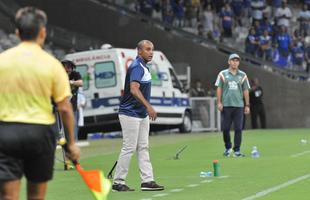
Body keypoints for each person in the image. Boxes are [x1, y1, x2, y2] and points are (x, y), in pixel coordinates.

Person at [0, 7, 80, 200]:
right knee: (36, 196)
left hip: (6, 134)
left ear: (17, 33)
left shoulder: (2, 61)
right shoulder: (52, 65)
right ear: (43, 32)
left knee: (8, 196)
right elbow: (65, 109)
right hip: (40, 134)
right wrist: (71, 144)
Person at [112, 40, 164, 192]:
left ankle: (147, 181)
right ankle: (117, 182)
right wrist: (149, 107)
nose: (151, 52)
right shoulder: (136, 66)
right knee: (129, 147)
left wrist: (145, 109)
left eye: (152, 49)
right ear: (139, 51)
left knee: (143, 147)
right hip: (130, 113)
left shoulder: (144, 66)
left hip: (140, 114)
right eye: (147, 49)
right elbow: (134, 89)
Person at [215, 53, 250, 157]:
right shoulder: (222, 74)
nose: (235, 62)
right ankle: (228, 147)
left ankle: (237, 150)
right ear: (229, 62)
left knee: (238, 128)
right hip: (226, 105)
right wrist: (219, 102)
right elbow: (219, 88)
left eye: (237, 60)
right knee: (225, 128)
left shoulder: (243, 75)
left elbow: (245, 90)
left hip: (239, 106)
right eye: (233, 60)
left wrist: (247, 105)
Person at [61, 60, 83, 141]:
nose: (68, 69)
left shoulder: (75, 74)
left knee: (73, 126)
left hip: (72, 106)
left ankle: (74, 142)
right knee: (62, 127)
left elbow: (80, 83)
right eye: (66, 67)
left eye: (69, 67)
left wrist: (70, 82)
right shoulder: (58, 75)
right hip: (60, 107)